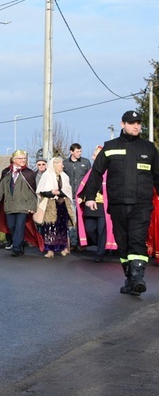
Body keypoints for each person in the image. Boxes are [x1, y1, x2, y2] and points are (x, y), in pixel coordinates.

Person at [82, 110, 159, 296]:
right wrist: (90, 196)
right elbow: (96, 173)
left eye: (138, 123)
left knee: (137, 240)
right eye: (132, 123)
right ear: (122, 124)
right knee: (122, 244)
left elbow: (158, 175)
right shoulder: (110, 147)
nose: (136, 126)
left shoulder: (149, 148)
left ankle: (138, 278)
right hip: (117, 204)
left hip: (141, 204)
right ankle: (131, 279)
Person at [0, 150, 38, 256]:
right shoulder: (6, 172)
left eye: (24, 158)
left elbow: (33, 191)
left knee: (20, 226)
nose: (23, 160)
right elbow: (1, 189)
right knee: (11, 226)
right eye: (20, 158)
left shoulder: (29, 173)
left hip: (23, 205)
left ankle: (16, 248)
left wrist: (33, 206)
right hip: (10, 205)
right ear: (14, 160)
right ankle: (20, 242)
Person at [76, 146, 117, 262]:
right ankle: (102, 244)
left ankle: (100, 253)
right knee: (90, 229)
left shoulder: (110, 171)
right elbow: (85, 186)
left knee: (102, 229)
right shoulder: (91, 171)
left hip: (103, 206)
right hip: (91, 205)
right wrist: (81, 197)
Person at [36, 157, 76, 258]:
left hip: (62, 204)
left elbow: (67, 190)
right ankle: (50, 250)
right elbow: (42, 190)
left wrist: (60, 192)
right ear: (54, 164)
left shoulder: (64, 176)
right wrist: (51, 192)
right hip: (51, 205)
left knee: (62, 227)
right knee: (50, 227)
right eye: (60, 164)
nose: (62, 166)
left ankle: (63, 247)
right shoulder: (47, 175)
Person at [63, 143, 91, 250]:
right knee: (72, 220)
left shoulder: (86, 162)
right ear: (71, 152)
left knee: (82, 220)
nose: (79, 153)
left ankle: (83, 242)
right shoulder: (65, 163)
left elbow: (89, 178)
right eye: (77, 151)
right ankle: (74, 243)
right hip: (70, 196)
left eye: (80, 151)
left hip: (82, 196)